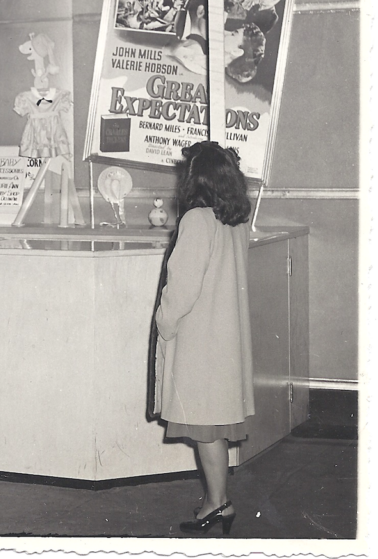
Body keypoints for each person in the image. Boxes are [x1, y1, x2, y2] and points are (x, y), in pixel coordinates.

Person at [151, 141, 253, 535]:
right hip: (224, 338)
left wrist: (164, 322)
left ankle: (217, 503)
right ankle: (219, 501)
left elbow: (182, 288)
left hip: (199, 339)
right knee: (214, 428)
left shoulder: (196, 221)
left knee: (205, 430)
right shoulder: (234, 219)